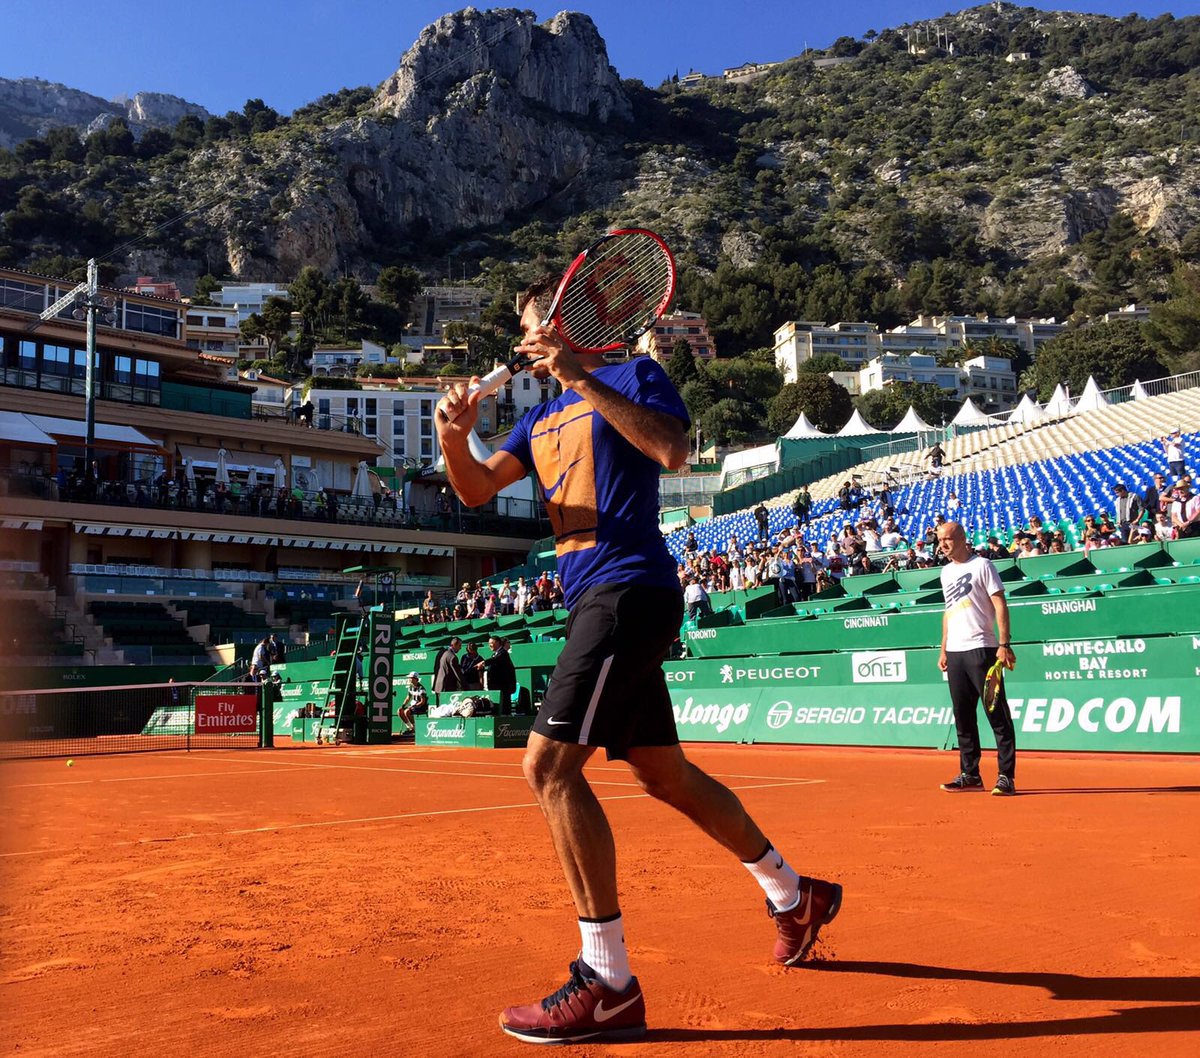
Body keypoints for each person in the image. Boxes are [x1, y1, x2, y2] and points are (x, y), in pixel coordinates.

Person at [434, 274, 840, 1045]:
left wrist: (582, 375)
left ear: (581, 320)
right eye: (523, 334)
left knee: (549, 769)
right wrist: (456, 435)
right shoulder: (542, 414)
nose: (528, 344)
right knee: (666, 776)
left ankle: (609, 980)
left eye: (539, 326)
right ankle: (793, 894)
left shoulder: (630, 376)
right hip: (594, 596)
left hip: (630, 590)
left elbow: (672, 449)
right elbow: (479, 491)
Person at [936, 521, 1017, 797]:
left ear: (961, 538)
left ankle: (1006, 776)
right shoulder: (946, 573)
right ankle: (970, 774)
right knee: (963, 718)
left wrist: (1004, 644)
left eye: (947, 539)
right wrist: (944, 648)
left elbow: (1000, 603)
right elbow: (948, 611)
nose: (942, 544)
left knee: (997, 715)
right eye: (940, 540)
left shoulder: (983, 565)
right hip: (956, 653)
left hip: (982, 649)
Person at [483, 635, 518, 714]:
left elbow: (495, 660)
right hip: (495, 686)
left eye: (492, 643)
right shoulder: (494, 654)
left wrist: (483, 663)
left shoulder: (502, 653)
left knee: (505, 707)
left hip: (503, 687)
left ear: (498, 643)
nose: (490, 645)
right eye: (489, 643)